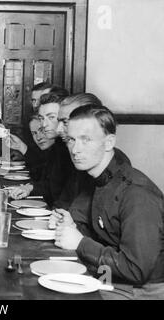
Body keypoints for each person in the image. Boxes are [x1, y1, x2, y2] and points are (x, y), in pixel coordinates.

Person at [51, 105, 164, 299]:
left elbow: (136, 269)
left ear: (109, 142)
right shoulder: (97, 178)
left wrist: (80, 242)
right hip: (110, 277)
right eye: (71, 140)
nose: (75, 149)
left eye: (86, 140)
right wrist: (72, 226)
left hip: (140, 290)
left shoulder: (136, 193)